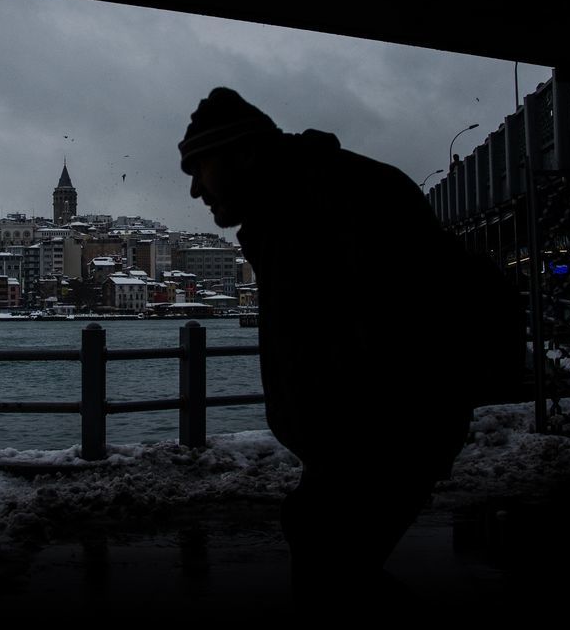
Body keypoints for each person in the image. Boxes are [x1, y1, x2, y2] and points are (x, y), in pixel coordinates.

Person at [178, 87, 522, 600]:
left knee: (328, 564)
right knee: (325, 554)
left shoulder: (324, 205)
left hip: (383, 437)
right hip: (367, 441)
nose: (194, 191)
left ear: (243, 153)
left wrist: (358, 440)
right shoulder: (299, 203)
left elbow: (391, 330)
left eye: (198, 168)